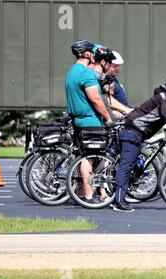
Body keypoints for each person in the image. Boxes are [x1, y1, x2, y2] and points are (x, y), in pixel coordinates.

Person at [111, 75, 166, 212]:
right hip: (133, 132)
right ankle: (118, 201)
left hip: (136, 132)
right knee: (126, 166)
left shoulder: (162, 96)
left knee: (131, 164)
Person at [65, 39, 113, 203]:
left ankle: (88, 192)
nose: (94, 55)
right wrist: (108, 118)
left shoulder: (72, 72)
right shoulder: (85, 73)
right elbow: (95, 99)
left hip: (79, 121)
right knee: (88, 158)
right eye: (92, 51)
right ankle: (89, 194)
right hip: (90, 121)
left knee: (85, 157)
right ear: (86, 53)